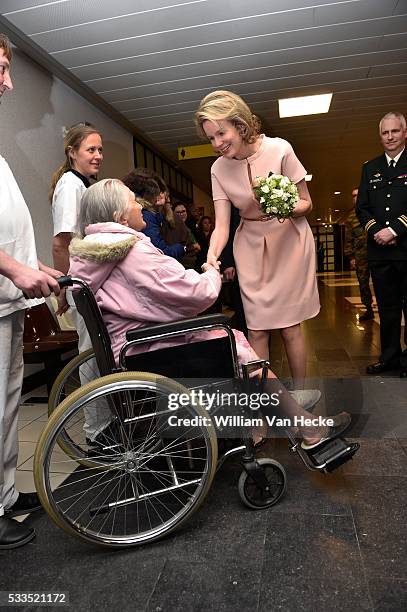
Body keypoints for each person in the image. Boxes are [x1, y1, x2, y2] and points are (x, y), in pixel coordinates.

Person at [68, 179, 351, 455]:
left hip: (130, 348)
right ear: (120, 217)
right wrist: (211, 271)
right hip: (151, 352)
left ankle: (267, 421)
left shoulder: (92, 255)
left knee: (227, 340)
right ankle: (305, 428)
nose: (140, 207)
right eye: (133, 202)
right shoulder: (132, 252)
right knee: (232, 345)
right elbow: (195, 294)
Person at [194, 90, 320, 389]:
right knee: (257, 331)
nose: (216, 144)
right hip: (249, 247)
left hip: (289, 242)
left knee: (290, 328)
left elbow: (307, 202)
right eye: (210, 138)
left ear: (240, 124)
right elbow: (222, 224)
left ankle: (302, 400)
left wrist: (285, 206)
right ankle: (264, 408)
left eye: (221, 133)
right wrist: (212, 256)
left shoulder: (280, 150)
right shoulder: (218, 169)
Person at [0, 33, 61, 549]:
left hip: (8, 299)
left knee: (8, 404)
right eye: (0, 68)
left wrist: (34, 264)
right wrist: (14, 270)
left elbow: (8, 229)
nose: (9, 82)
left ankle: (4, 495)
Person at [50, 123, 112, 441]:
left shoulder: (83, 184)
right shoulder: (70, 186)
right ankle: (95, 432)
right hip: (81, 284)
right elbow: (61, 244)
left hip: (87, 283)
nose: (98, 155)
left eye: (100, 149)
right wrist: (67, 287)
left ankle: (105, 422)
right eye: (91, 149)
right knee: (90, 353)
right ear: (72, 152)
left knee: (98, 353)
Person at [356, 111, 407, 377]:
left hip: (405, 249)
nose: (390, 137)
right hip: (379, 251)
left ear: (404, 132)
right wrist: (377, 231)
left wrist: (396, 229)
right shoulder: (370, 168)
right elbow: (362, 208)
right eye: (385, 133)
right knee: (386, 309)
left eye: (395, 131)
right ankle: (389, 358)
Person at [122, 168, 186, 260]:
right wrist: (183, 248)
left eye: (162, 191)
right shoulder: (145, 215)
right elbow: (159, 252)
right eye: (157, 190)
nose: (159, 195)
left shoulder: (158, 215)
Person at [344, 188, 373, 320]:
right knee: (363, 282)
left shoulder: (373, 211)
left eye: (358, 195)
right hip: (360, 255)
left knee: (381, 281)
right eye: (353, 196)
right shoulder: (350, 217)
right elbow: (348, 238)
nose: (355, 198)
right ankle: (368, 309)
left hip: (376, 253)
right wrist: (351, 257)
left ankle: (386, 307)